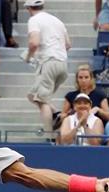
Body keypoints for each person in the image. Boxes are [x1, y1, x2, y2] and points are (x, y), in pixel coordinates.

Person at [25, 0, 71, 134]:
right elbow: (68, 45)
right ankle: (56, 113)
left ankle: (48, 135)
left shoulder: (34, 20)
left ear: (28, 8)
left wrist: (29, 56)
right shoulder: (57, 21)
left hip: (49, 62)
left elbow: (34, 43)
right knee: (32, 95)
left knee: (42, 100)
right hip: (62, 64)